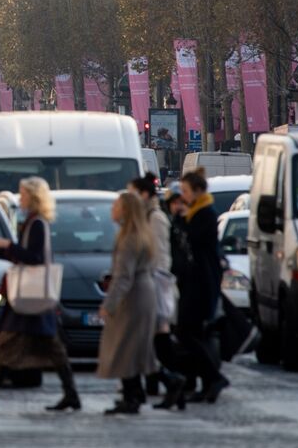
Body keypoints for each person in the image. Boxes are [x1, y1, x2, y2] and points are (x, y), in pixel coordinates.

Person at [0, 175, 81, 412]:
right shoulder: (31, 222)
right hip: (32, 297)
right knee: (38, 346)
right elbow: (23, 255)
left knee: (24, 344)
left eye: (24, 193)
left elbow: (34, 258)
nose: (21, 197)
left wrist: (6, 245)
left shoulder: (37, 223)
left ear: (34, 197)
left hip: (33, 295)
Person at [96, 190, 160, 414]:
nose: (112, 209)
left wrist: (108, 305)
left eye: (116, 206)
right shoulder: (138, 234)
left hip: (134, 297)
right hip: (142, 293)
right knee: (133, 346)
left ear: (126, 211)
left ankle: (132, 396)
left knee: (124, 346)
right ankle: (136, 393)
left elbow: (123, 277)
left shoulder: (129, 238)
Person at [129, 173, 186, 407]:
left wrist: (154, 284)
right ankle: (157, 387)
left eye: (133, 193)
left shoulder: (155, 219)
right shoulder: (145, 216)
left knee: (159, 343)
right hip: (149, 286)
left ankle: (174, 383)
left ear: (144, 194)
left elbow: (161, 257)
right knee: (152, 343)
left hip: (155, 288)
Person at [171, 168, 227, 403]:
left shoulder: (205, 213)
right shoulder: (194, 211)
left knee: (187, 331)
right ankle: (206, 382)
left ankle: (213, 378)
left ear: (198, 191)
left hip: (202, 283)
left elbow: (192, 239)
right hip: (191, 281)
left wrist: (182, 218)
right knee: (192, 333)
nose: (182, 196)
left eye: (185, 191)